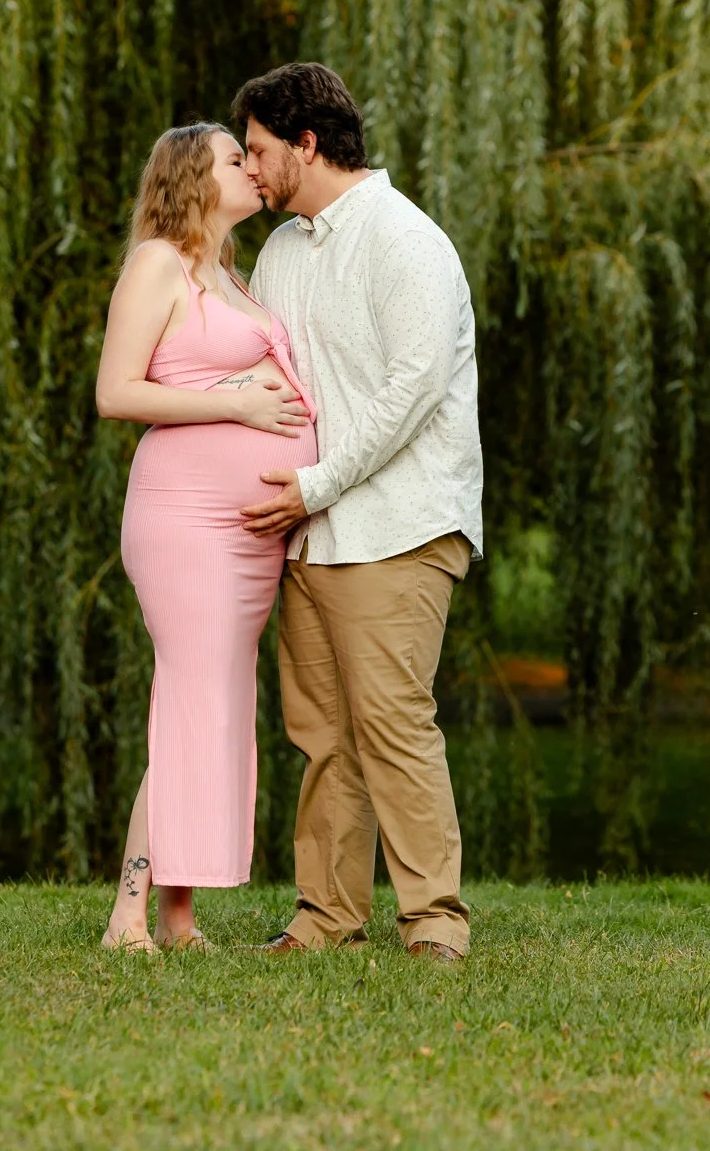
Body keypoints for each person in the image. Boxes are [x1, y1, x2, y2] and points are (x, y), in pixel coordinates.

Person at [233, 62, 483, 963]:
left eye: (259, 151)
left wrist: (318, 483)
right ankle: (327, 916)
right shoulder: (282, 251)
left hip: (399, 524)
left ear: (306, 144)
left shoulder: (403, 239)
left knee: (391, 723)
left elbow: (410, 389)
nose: (248, 169)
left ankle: (434, 924)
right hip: (311, 528)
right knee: (322, 734)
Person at [95, 123, 317, 953]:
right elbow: (117, 392)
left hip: (246, 531)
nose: (253, 171)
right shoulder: (157, 262)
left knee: (214, 713)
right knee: (189, 708)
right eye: (236, 160)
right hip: (185, 521)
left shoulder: (227, 272)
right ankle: (127, 915)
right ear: (194, 177)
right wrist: (236, 400)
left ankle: (177, 918)